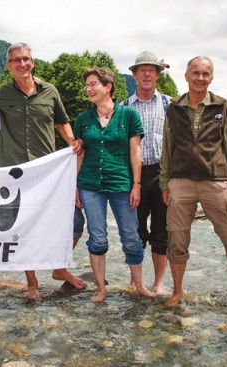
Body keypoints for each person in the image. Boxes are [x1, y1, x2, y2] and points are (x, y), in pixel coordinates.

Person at [159, 56, 227, 311]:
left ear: (211, 78)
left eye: (205, 74)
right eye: (195, 73)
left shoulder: (222, 106)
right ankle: (176, 292)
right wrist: (165, 183)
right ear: (186, 76)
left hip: (215, 181)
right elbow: (167, 146)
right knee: (176, 240)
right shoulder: (173, 107)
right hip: (180, 181)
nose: (200, 78)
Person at [0, 42, 85, 300]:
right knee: (22, 228)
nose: (22, 63)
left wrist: (71, 141)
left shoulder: (50, 92)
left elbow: (61, 121)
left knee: (74, 221)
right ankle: (32, 283)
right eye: (16, 60)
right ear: (9, 65)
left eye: (26, 58)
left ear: (32, 61)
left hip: (47, 172)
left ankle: (58, 266)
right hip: (13, 173)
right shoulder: (0, 95)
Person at [74, 67, 156, 303]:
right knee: (97, 237)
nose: (88, 89)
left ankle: (139, 285)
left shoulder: (129, 115)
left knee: (131, 235)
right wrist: (76, 187)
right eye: (87, 85)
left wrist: (137, 185)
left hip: (122, 183)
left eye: (93, 84)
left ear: (108, 86)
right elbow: (80, 154)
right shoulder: (83, 119)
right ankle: (101, 289)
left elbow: (135, 152)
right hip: (90, 185)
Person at [123, 51, 171, 295]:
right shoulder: (123, 108)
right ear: (134, 74)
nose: (147, 73)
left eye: (152, 69)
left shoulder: (170, 104)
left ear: (157, 74)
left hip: (163, 175)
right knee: (135, 230)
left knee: (161, 231)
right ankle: (136, 281)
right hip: (134, 177)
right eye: (142, 69)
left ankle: (159, 283)